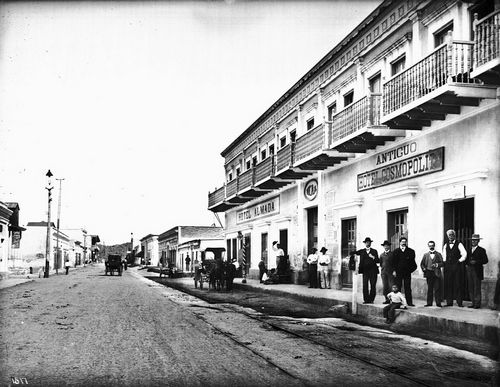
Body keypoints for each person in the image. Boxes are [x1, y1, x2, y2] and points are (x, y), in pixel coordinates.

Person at [442, 229, 467, 307]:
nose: (450, 236)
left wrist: (459, 261)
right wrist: (445, 263)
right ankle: (449, 302)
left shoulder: (459, 244)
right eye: (449, 235)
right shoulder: (445, 245)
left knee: (458, 284)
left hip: (456, 266)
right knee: (449, 284)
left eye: (452, 235)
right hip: (448, 267)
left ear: (454, 236)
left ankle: (459, 302)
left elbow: (464, 254)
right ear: (448, 236)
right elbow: (444, 256)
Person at [353, 237, 380, 304]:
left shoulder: (374, 251)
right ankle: (366, 300)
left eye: (369, 242)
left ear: (370, 243)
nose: (368, 243)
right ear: (365, 243)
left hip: (373, 271)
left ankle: (371, 300)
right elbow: (354, 252)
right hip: (365, 271)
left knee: (373, 285)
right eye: (367, 242)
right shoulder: (362, 251)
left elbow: (378, 260)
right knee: (365, 285)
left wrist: (373, 257)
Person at [465, 234, 488, 309]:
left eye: (475, 240)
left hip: (477, 271)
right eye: (472, 240)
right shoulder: (468, 250)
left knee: (477, 287)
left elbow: (485, 260)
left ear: (478, 241)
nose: (473, 242)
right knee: (470, 287)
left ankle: (477, 304)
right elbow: (466, 260)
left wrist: (476, 262)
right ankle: (473, 302)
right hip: (469, 270)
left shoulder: (481, 250)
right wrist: (467, 264)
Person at [392, 237, 417, 306]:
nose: (403, 243)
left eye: (405, 241)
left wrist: (410, 270)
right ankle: (398, 302)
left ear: (406, 242)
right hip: (398, 273)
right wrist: (394, 271)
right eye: (402, 241)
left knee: (407, 287)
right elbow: (393, 263)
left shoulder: (411, 251)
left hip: (407, 273)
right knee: (398, 287)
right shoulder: (396, 251)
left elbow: (413, 264)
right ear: (399, 242)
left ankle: (409, 302)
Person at [420, 241, 444, 307]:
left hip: (436, 273)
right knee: (430, 289)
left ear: (434, 246)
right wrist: (424, 269)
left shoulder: (438, 254)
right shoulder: (426, 255)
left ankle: (438, 303)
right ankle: (429, 303)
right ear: (428, 246)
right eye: (430, 246)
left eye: (432, 245)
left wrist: (437, 265)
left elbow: (442, 263)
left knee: (437, 288)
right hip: (429, 273)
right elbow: (422, 264)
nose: (431, 247)